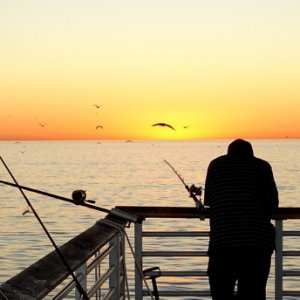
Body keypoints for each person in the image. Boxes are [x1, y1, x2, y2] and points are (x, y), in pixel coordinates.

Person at [204, 139, 279, 300]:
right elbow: (273, 204)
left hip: (222, 244)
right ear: (251, 154)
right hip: (257, 245)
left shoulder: (215, 166)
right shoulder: (263, 166)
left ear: (228, 153)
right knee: (253, 294)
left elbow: (209, 201)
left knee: (221, 295)